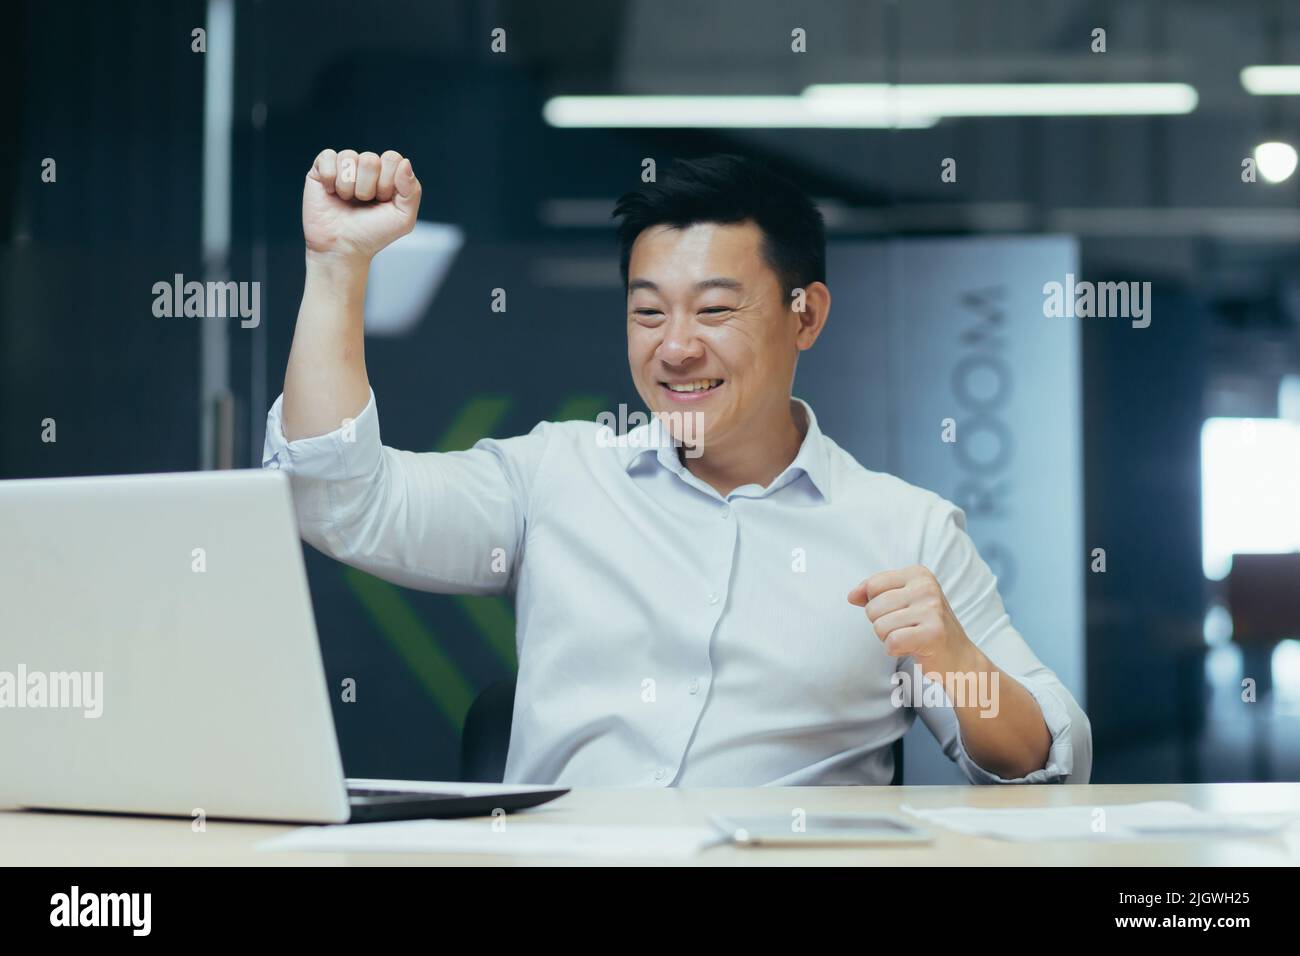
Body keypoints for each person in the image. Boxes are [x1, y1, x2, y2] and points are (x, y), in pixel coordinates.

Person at [263, 148, 1091, 787]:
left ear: (807, 316)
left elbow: (1044, 762)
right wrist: (338, 268)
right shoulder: (559, 475)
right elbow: (339, 499)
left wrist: (956, 661)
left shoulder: (903, 530)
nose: (677, 347)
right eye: (648, 312)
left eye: (717, 309)